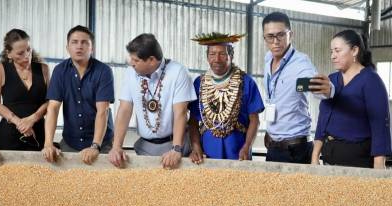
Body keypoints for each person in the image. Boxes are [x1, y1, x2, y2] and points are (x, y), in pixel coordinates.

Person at [108, 33, 196, 169]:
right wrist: (116, 146)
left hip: (174, 144)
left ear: (151, 60)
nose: (131, 63)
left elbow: (181, 112)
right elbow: (124, 109)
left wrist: (176, 149)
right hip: (144, 146)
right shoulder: (131, 72)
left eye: (136, 60)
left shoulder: (178, 71)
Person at [311, 30, 391, 169]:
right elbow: (323, 119)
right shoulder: (332, 80)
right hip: (329, 159)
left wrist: (379, 167)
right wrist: (314, 156)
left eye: (337, 51)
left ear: (354, 50)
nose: (333, 56)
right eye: (331, 51)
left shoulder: (371, 81)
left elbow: (380, 125)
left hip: (359, 161)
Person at [262, 12, 333, 164]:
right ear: (264, 38)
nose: (275, 41)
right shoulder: (268, 58)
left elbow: (313, 85)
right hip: (273, 145)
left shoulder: (301, 63)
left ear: (290, 34)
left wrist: (327, 89)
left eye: (281, 35)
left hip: (295, 150)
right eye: (270, 36)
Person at [42, 25, 115, 165]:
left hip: (101, 143)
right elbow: (53, 108)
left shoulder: (103, 71)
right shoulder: (59, 71)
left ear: (92, 48)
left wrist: (95, 146)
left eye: (84, 42)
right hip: (71, 141)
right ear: (67, 47)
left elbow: (103, 110)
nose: (79, 46)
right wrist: (48, 144)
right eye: (74, 42)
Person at [188, 32, 264, 162]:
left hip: (239, 154)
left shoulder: (246, 82)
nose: (217, 59)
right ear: (207, 57)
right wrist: (195, 147)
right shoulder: (199, 83)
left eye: (222, 54)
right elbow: (193, 122)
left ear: (231, 56)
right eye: (212, 54)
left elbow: (254, 120)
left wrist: (247, 146)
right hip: (207, 156)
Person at [0, 29, 49, 152]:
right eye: (20, 53)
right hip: (9, 134)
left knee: (39, 171)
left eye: (28, 50)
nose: (27, 55)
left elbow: (50, 101)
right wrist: (19, 122)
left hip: (38, 132)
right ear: (9, 54)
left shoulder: (44, 69)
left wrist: (32, 119)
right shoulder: (0, 69)